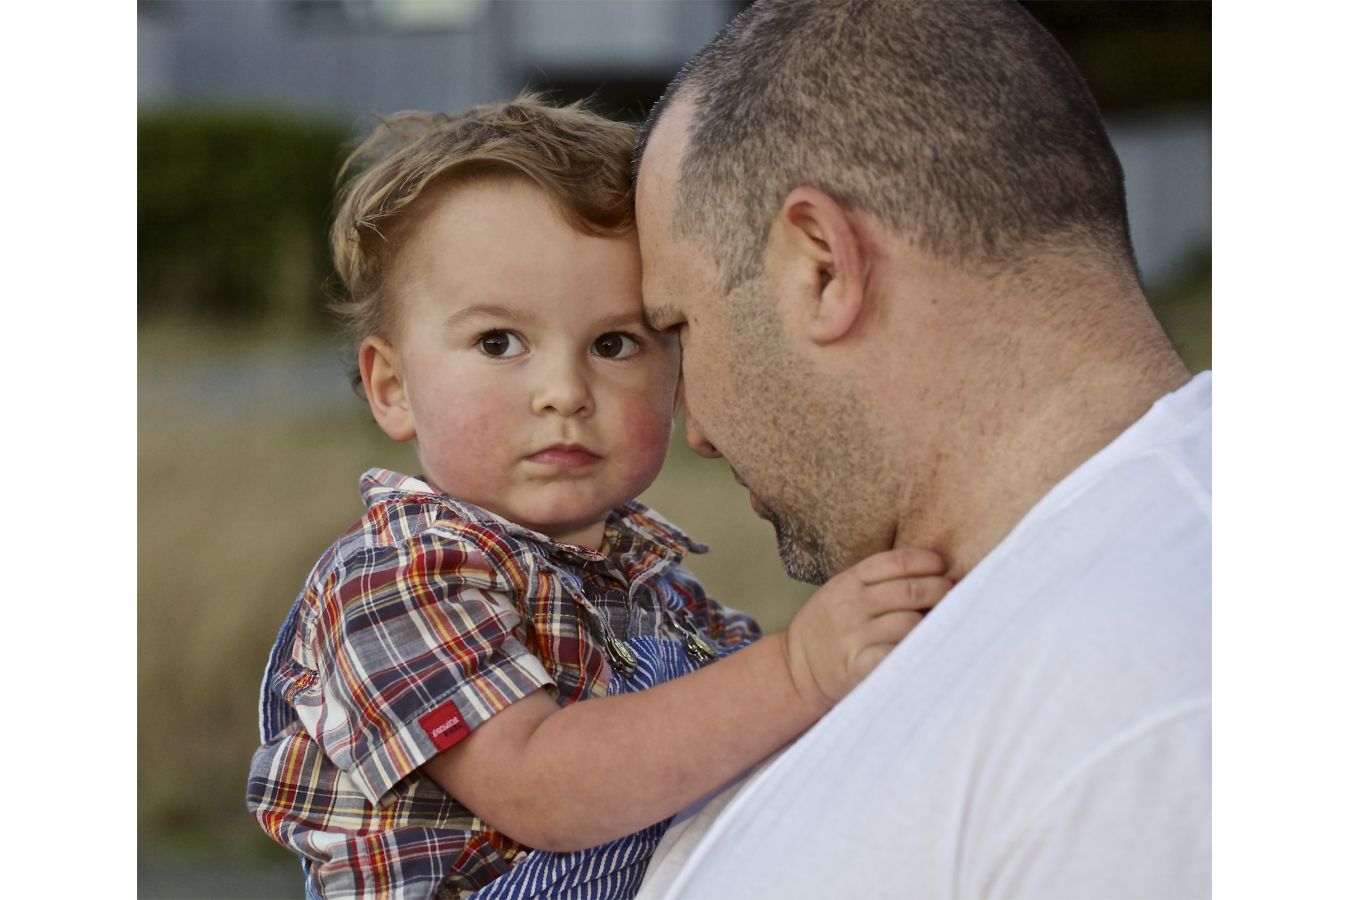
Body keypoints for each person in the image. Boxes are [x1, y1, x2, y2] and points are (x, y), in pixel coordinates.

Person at [245, 96, 952, 900]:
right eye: (499, 343)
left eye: (614, 344)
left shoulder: (664, 595)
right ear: (393, 386)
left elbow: (757, 745)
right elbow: (541, 789)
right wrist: (798, 668)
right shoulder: (396, 577)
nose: (564, 392)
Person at [631, 1, 1210, 898]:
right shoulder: (1092, 622)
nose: (695, 428)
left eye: (680, 327)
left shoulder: (1145, 701)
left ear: (820, 264)